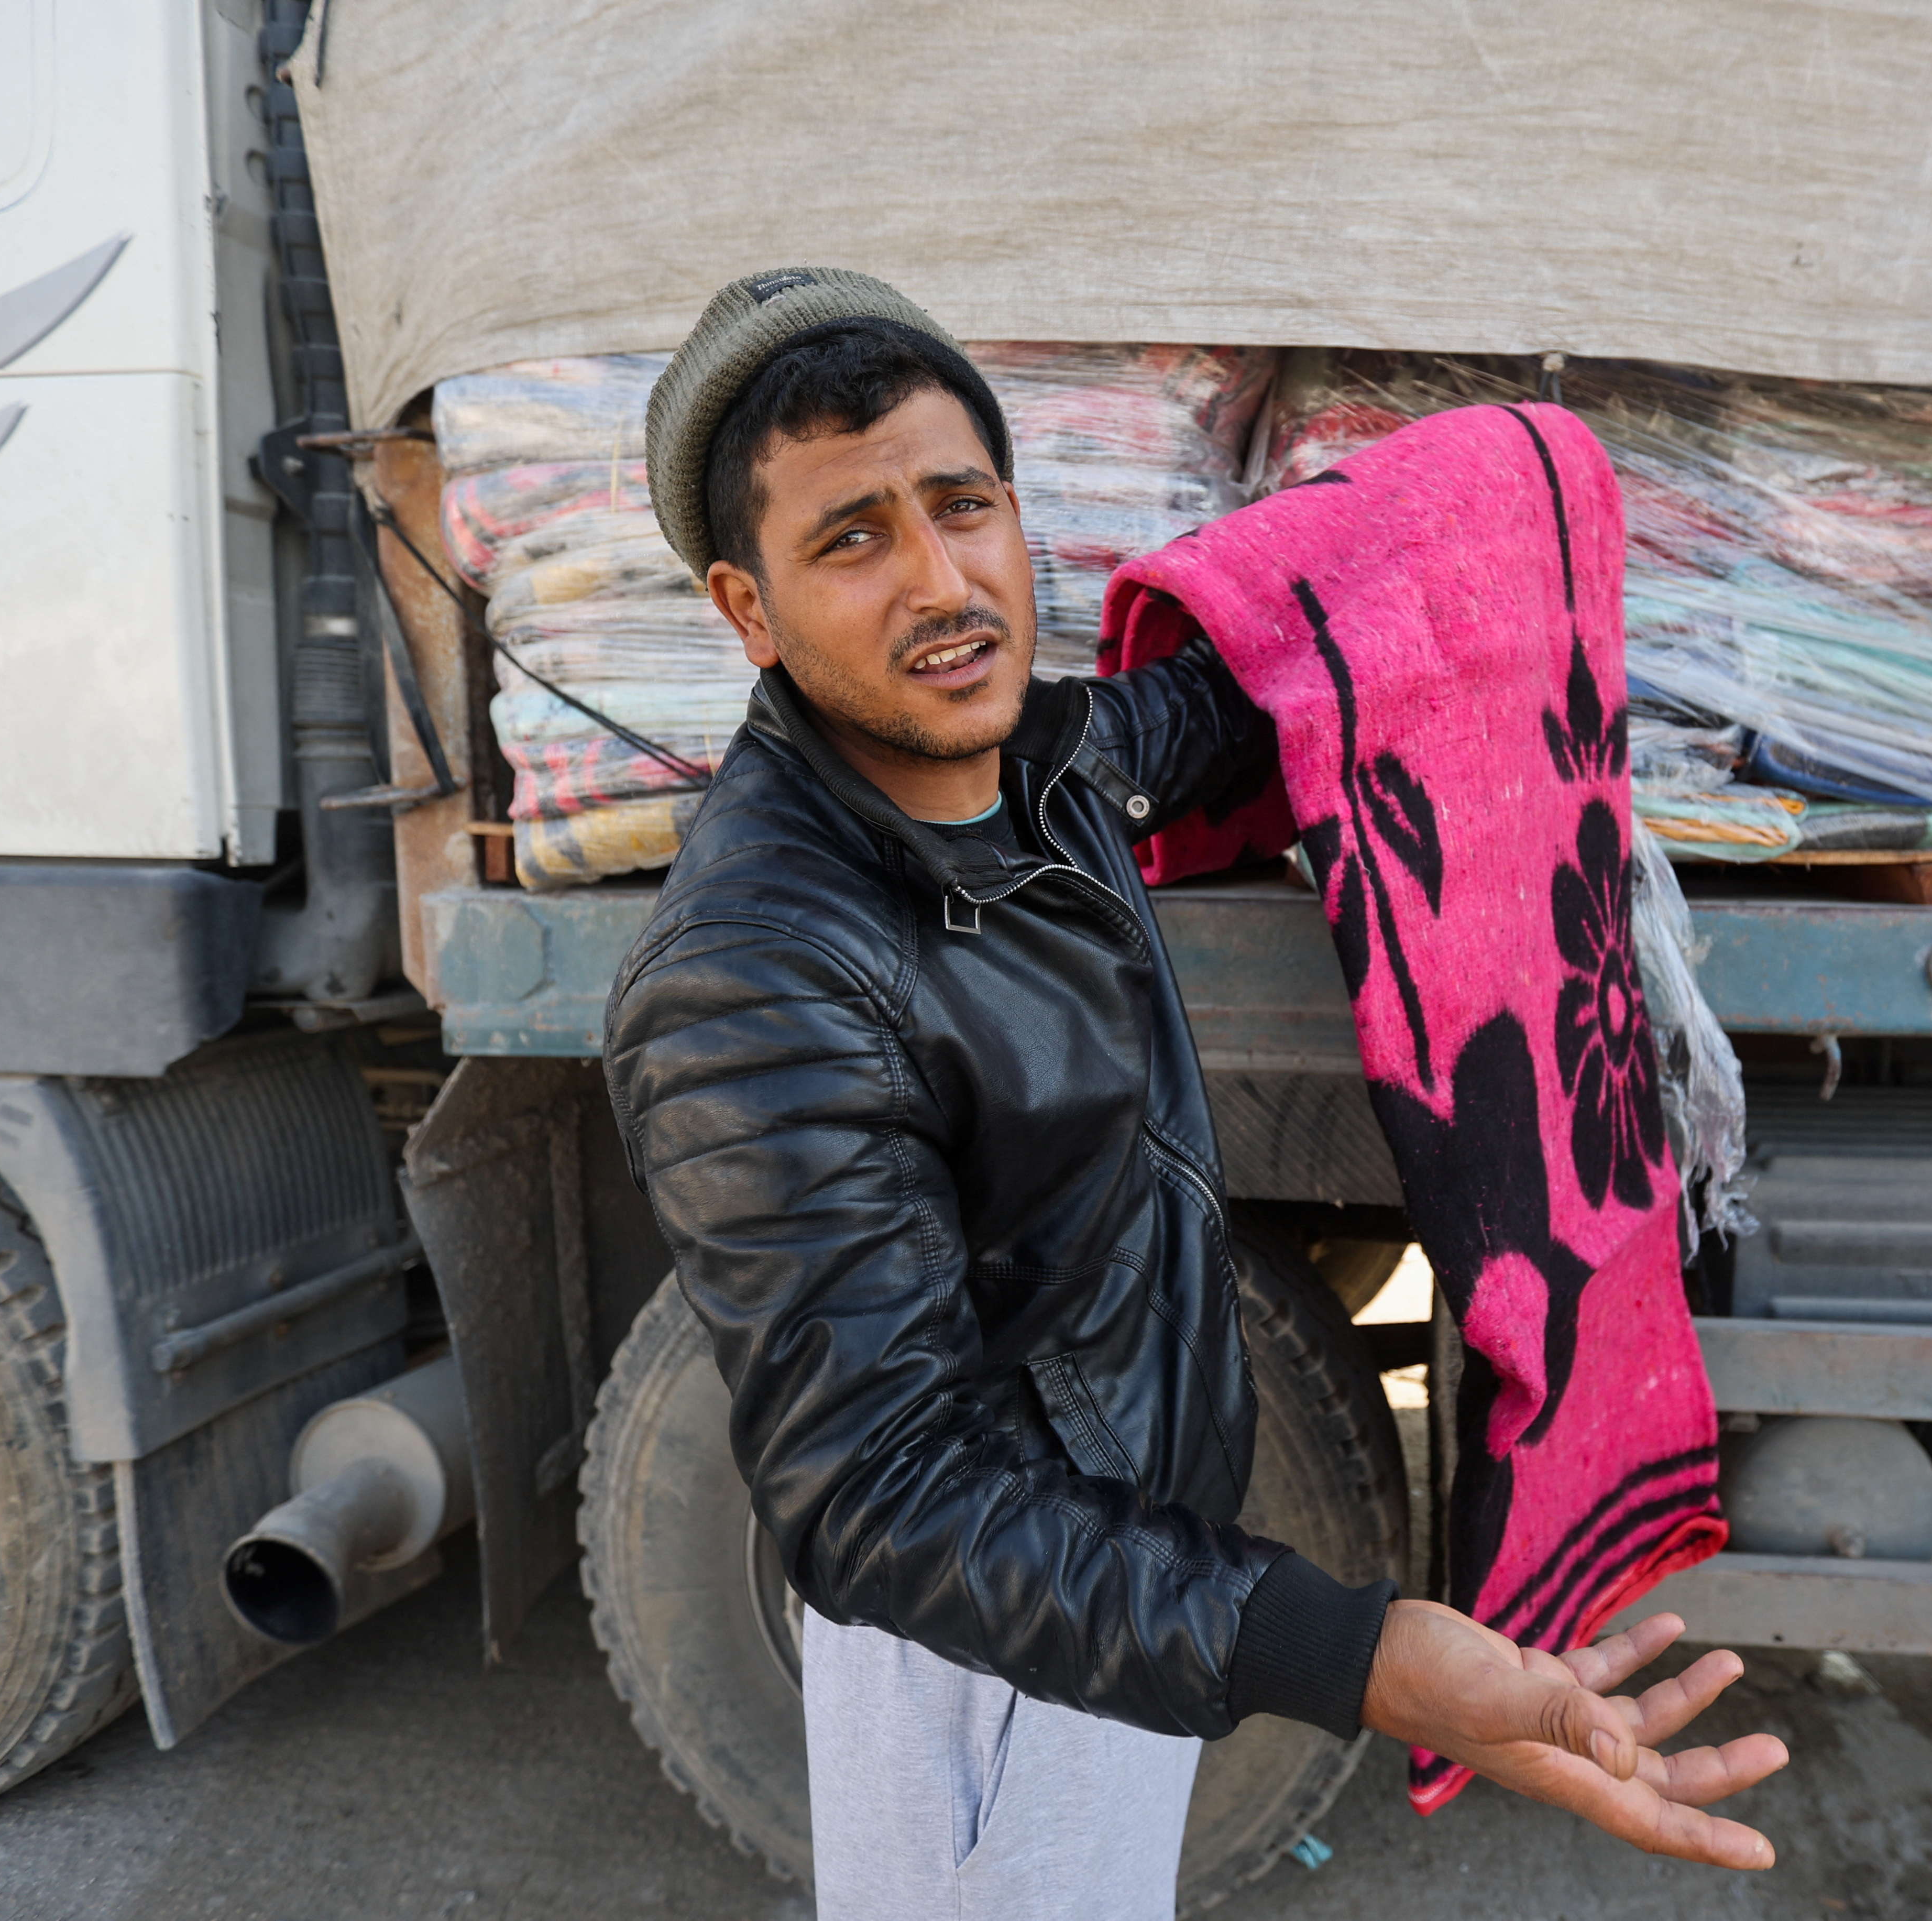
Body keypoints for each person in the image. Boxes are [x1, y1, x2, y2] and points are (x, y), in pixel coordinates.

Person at [603, 267, 1787, 1920]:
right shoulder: (752, 974)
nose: (942, 583)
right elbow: (881, 1494)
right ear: (748, 607)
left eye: (963, 506)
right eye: (852, 538)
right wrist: (1359, 1654)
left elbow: (1246, 699)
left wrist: (1480, 508)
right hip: (992, 1655)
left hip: (1136, 1570)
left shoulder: (1038, 768)